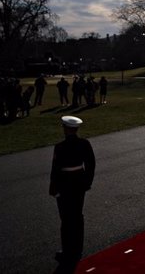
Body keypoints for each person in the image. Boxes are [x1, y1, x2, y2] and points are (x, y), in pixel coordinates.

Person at [49, 115, 96, 272]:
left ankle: (68, 251)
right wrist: (87, 182)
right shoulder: (84, 144)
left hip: (65, 185)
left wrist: (53, 188)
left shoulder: (60, 147)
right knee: (77, 216)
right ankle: (77, 248)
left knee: (66, 219)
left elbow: (55, 170)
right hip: (79, 184)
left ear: (66, 129)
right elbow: (91, 164)